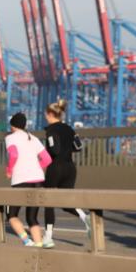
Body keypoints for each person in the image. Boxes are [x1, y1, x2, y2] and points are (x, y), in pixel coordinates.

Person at [42, 99, 90, 248]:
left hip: (56, 167)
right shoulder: (69, 128)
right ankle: (85, 217)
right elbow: (78, 147)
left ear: (50, 114)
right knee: (66, 201)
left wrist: (48, 151)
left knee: (48, 201)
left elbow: (54, 150)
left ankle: (48, 237)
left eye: (45, 114)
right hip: (70, 167)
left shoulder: (51, 130)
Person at [5, 112, 52, 247]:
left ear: (12, 126)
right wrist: (37, 167)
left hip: (21, 180)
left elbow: (13, 155)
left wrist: (9, 171)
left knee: (11, 214)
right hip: (38, 179)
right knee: (32, 217)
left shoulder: (10, 137)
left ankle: (27, 241)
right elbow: (47, 159)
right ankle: (38, 244)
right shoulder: (34, 138)